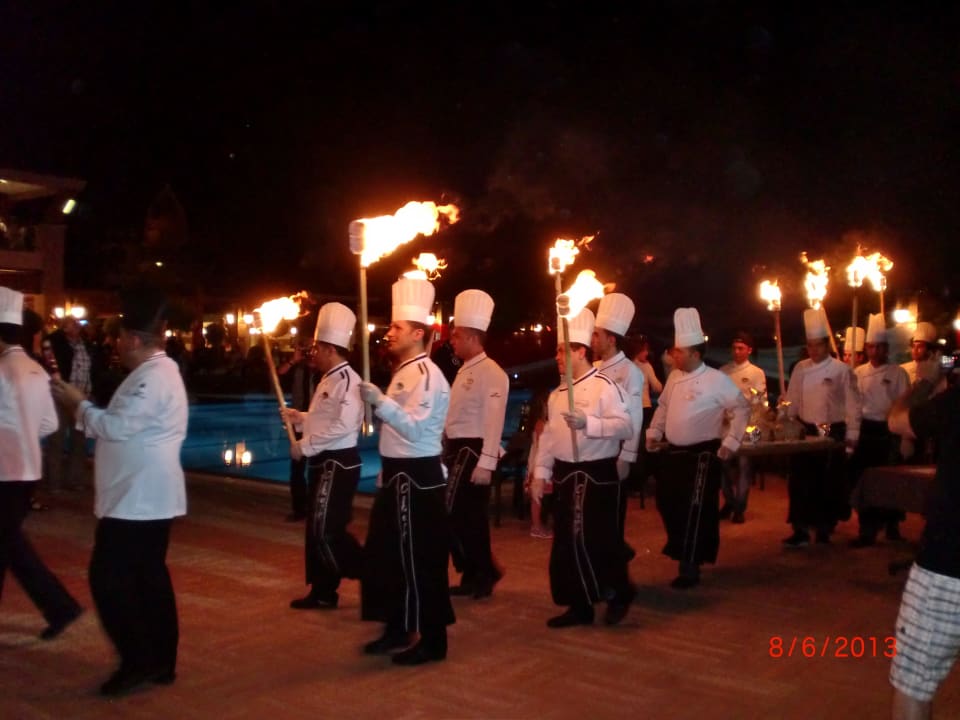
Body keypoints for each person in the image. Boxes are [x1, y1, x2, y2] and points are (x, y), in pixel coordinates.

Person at [51, 287, 188, 697]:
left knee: (110, 578)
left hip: (139, 500)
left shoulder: (157, 376)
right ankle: (160, 660)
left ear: (132, 339)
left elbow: (116, 426)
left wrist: (79, 404)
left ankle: (139, 660)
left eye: (118, 337)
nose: (113, 344)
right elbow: (120, 421)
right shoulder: (152, 373)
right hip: (140, 498)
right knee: (148, 578)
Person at [358, 277, 453, 666]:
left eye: (397, 327)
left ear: (418, 332)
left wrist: (379, 402)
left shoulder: (429, 376)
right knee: (386, 556)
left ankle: (432, 639)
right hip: (398, 476)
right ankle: (396, 626)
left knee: (419, 560)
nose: (390, 332)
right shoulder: (404, 371)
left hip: (417, 479)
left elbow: (415, 429)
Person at [530, 308, 634, 627]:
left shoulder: (604, 386)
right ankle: (579, 604)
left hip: (596, 474)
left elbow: (625, 426)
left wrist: (589, 423)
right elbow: (548, 438)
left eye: (563, 350)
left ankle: (619, 592)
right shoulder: (557, 394)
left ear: (580, 351)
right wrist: (540, 474)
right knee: (566, 541)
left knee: (596, 539)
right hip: (565, 474)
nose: (557, 356)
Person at [0, 287, 83, 640]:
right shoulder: (34, 369)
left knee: (10, 545)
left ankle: (62, 606)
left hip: (4, 471)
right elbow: (49, 425)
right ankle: (61, 607)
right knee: (10, 545)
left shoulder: (3, 370)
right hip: (28, 471)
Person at [646, 308, 750, 589]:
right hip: (675, 453)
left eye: (678, 351)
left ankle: (690, 566)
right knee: (667, 502)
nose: (673, 356)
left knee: (695, 509)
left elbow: (741, 408)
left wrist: (731, 442)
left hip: (704, 454)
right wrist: (654, 431)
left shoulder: (716, 379)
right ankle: (681, 551)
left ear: (694, 353)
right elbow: (664, 407)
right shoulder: (675, 378)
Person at [887, 358, 960, 720]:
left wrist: (926, 383)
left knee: (914, 682)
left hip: (948, 567)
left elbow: (897, 420)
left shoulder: (955, 401)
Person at [281, 303, 363, 610]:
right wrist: (299, 417)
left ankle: (367, 569)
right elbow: (323, 419)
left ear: (330, 348)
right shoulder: (328, 377)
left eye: (317, 348)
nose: (312, 352)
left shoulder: (349, 381)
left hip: (338, 463)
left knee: (325, 528)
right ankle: (323, 590)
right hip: (324, 461)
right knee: (316, 527)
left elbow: (344, 426)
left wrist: (305, 446)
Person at [444, 290, 509, 599]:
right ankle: (475, 572)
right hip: (456, 449)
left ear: (471, 337)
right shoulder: (464, 369)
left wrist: (487, 462)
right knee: (466, 517)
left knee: (456, 512)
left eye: (456, 336)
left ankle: (483, 570)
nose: (452, 341)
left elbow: (494, 420)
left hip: (473, 450)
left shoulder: (492, 372)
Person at [783, 308, 861, 547]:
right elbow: (792, 399)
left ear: (827, 345)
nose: (813, 350)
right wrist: (786, 420)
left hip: (831, 431)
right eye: (810, 345)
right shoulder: (800, 368)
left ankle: (824, 527)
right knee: (799, 482)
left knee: (826, 483)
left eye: (818, 345)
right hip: (805, 432)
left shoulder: (841, 370)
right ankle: (800, 529)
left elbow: (853, 404)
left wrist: (852, 436)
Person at [849, 314, 910, 547]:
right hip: (865, 430)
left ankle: (893, 524)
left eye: (879, 347)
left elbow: (902, 405)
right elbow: (853, 405)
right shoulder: (857, 372)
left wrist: (903, 437)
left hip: (888, 431)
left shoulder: (897, 374)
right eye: (870, 347)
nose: (874, 352)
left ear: (886, 349)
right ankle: (867, 529)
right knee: (865, 480)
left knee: (890, 480)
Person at [591, 293, 645, 553]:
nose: (593, 340)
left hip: (615, 452)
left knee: (612, 514)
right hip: (595, 451)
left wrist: (627, 456)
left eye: (597, 335)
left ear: (611, 340)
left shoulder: (630, 372)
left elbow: (635, 415)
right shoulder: (594, 368)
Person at [46, 315, 100, 491]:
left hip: (82, 397)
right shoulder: (58, 342)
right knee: (57, 439)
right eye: (73, 323)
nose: (77, 325)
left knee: (79, 441)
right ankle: (54, 481)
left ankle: (75, 480)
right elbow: (48, 350)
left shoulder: (86, 344)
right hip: (62, 395)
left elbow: (94, 367)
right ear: (64, 327)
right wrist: (61, 331)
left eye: (78, 323)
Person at [718, 330, 766, 524]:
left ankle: (740, 507)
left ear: (749, 350)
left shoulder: (756, 373)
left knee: (745, 467)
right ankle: (730, 501)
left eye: (741, 348)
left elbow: (759, 400)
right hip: (725, 426)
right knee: (723, 465)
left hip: (749, 426)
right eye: (734, 348)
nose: (737, 351)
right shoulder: (723, 371)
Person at [277, 339, 314, 521]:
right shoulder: (296, 368)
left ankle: (314, 506)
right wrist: (294, 360)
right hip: (298, 422)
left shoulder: (321, 369)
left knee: (316, 467)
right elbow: (279, 373)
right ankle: (299, 508)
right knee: (297, 467)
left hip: (316, 423)